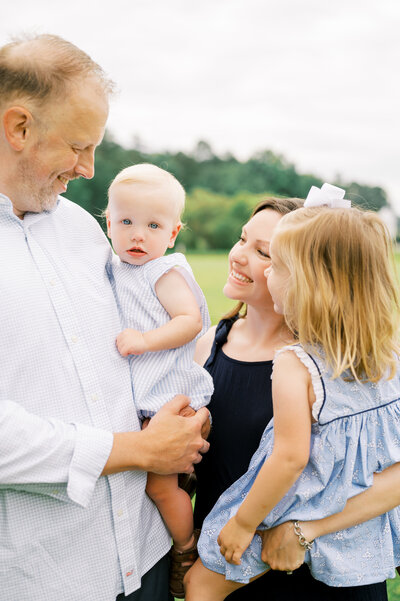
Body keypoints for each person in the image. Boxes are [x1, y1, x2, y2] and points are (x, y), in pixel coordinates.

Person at [0, 33, 209, 601]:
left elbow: (129, 345)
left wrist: (182, 412)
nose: (90, 170)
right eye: (78, 146)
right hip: (47, 576)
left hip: (143, 554)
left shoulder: (79, 228)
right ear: (18, 127)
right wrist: (139, 451)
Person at [191, 191, 399, 600]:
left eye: (268, 255)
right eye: (241, 238)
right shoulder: (208, 346)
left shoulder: (305, 364)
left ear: (313, 279)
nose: (242, 257)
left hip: (300, 557)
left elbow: (292, 456)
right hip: (250, 556)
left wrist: (291, 529)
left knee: (201, 587)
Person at [106, 163, 213, 596]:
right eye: (126, 222)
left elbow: (189, 322)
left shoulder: (162, 272)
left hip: (172, 398)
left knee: (159, 484)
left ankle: (186, 548)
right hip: (147, 402)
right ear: (108, 222)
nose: (137, 235)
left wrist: (145, 340)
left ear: (172, 234)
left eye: (153, 225)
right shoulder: (115, 268)